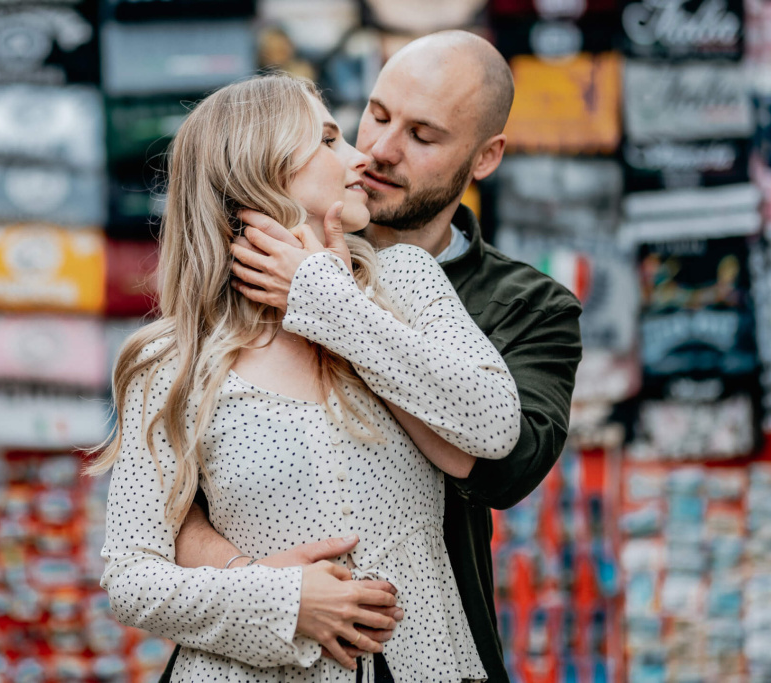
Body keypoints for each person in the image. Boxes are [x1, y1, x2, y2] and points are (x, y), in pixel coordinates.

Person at [167, 31, 583, 683]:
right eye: (378, 115)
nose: (380, 151)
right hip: (254, 654)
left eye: (423, 136)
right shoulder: (251, 265)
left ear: (485, 157)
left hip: (426, 648)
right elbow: (166, 502)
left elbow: (503, 469)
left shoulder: (529, 305)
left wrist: (329, 303)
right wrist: (272, 591)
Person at [93, 72, 524, 682]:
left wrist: (325, 299)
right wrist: (286, 603)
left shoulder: (406, 281)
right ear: (259, 170)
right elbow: (132, 579)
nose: (360, 157)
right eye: (328, 140)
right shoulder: (172, 361)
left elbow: (493, 425)